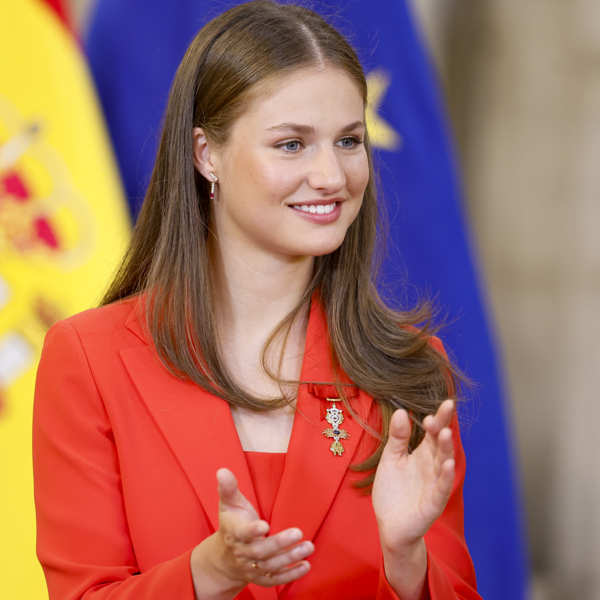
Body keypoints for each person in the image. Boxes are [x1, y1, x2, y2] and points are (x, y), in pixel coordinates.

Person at [33, 2, 481, 598]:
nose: (332, 175)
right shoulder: (90, 359)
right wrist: (206, 574)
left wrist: (407, 561)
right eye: (292, 145)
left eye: (349, 141)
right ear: (206, 155)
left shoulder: (410, 369)